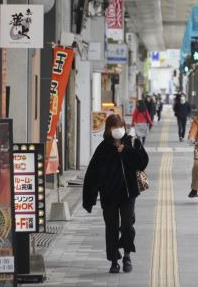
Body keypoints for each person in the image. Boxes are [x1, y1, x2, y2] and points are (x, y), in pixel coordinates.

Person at [82, 114, 149, 274]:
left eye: (120, 126)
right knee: (111, 228)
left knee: (127, 225)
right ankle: (114, 261)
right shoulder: (103, 148)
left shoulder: (132, 142)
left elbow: (143, 161)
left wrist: (126, 151)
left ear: (124, 127)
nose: (117, 130)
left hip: (128, 194)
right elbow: (92, 173)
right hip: (109, 196)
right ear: (108, 130)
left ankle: (127, 256)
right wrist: (89, 198)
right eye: (114, 127)